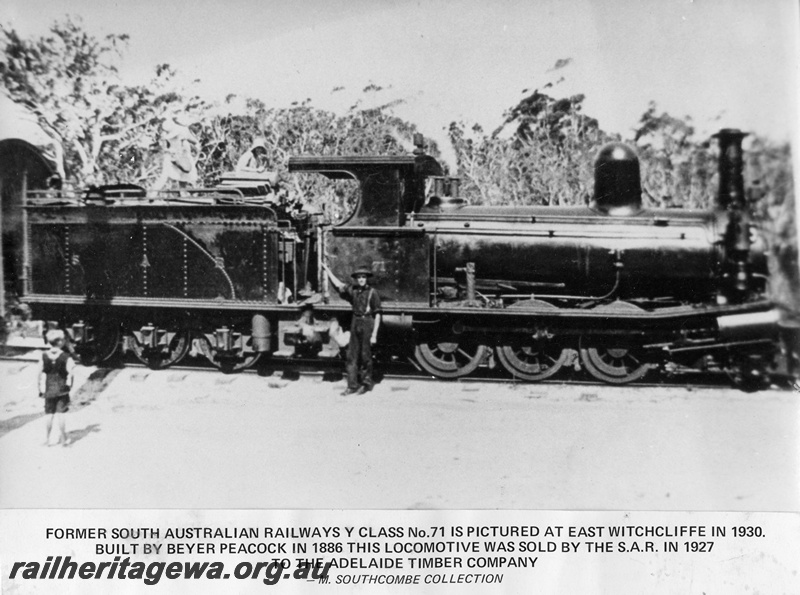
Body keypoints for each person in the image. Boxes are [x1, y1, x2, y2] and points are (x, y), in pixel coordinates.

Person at [323, 262, 381, 395]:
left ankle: (365, 384)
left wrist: (374, 335)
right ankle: (352, 385)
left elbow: (377, 314)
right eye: (359, 277)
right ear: (356, 279)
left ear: (367, 279)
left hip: (367, 322)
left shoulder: (373, 293)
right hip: (355, 321)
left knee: (366, 356)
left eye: (364, 277)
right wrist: (327, 270)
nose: (361, 279)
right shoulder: (353, 291)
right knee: (351, 355)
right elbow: (339, 285)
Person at [37, 330, 75, 446]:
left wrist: (39, 389)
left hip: (49, 390)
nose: (64, 341)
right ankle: (63, 440)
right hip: (62, 390)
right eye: (63, 339)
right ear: (59, 342)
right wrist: (70, 386)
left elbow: (38, 374)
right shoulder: (66, 357)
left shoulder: (43, 356)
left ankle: (47, 440)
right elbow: (71, 373)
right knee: (61, 414)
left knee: (49, 415)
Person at [152, 116, 198, 192]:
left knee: (184, 174)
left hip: (180, 156)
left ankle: (184, 192)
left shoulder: (182, 132)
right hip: (173, 156)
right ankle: (153, 193)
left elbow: (194, 142)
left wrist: (185, 143)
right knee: (165, 175)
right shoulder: (167, 136)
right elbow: (163, 147)